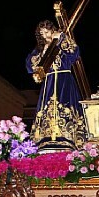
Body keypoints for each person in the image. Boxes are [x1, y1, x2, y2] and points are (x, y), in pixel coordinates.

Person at [26, 19, 87, 151]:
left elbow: (74, 53)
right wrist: (44, 53)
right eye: (42, 33)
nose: (45, 36)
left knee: (65, 107)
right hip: (48, 83)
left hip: (64, 81)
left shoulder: (61, 44)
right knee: (46, 109)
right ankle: (44, 139)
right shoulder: (40, 50)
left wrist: (61, 38)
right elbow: (30, 67)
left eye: (47, 32)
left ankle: (67, 137)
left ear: (52, 31)